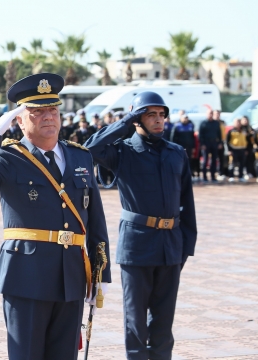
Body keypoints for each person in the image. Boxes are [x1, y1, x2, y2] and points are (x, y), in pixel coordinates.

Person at [0, 73, 111, 359]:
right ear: (19, 119)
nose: (48, 117)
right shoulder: (8, 157)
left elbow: (94, 218)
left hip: (71, 276)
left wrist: (100, 273)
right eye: (37, 111)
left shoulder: (79, 156)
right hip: (26, 276)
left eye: (53, 110)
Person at [85, 91, 197, 360]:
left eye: (162, 115)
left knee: (163, 321)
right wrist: (126, 122)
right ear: (137, 118)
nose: (159, 121)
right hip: (137, 246)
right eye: (151, 115)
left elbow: (187, 204)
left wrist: (186, 247)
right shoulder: (123, 151)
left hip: (171, 246)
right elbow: (90, 148)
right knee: (135, 321)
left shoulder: (176, 154)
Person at [199, 109, 223, 182]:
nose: (210, 115)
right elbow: (200, 135)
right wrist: (202, 144)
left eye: (211, 113)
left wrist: (220, 143)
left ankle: (213, 177)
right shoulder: (203, 123)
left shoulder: (216, 123)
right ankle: (204, 177)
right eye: (209, 113)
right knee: (205, 160)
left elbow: (219, 134)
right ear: (206, 114)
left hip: (214, 143)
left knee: (214, 160)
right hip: (206, 144)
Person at [226, 118, 248, 182]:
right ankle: (231, 176)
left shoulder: (244, 130)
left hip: (242, 149)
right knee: (233, 163)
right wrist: (229, 150)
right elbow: (227, 141)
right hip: (234, 149)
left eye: (239, 122)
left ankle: (240, 176)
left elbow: (246, 140)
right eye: (236, 122)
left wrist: (246, 149)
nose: (238, 124)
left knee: (242, 164)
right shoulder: (231, 131)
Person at [213, 110, 229, 179]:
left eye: (218, 114)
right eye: (216, 114)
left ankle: (221, 173)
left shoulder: (222, 122)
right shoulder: (212, 122)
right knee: (213, 159)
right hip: (214, 142)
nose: (217, 115)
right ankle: (213, 173)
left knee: (222, 158)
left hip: (222, 142)